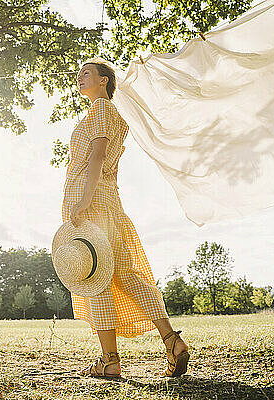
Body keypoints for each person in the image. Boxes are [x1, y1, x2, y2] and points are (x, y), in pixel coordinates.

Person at [63, 57, 190, 378]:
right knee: (125, 275)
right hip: (108, 202)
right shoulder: (110, 114)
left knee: (97, 279)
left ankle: (109, 361)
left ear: (104, 80)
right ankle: (171, 340)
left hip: (93, 205)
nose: (80, 77)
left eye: (87, 73)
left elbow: (99, 154)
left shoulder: (101, 110)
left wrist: (84, 200)